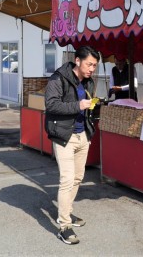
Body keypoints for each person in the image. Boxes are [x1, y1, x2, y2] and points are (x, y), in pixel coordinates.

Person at [44, 45, 100, 245]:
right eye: (89, 64)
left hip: (82, 135)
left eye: (94, 65)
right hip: (64, 136)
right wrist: (79, 105)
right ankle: (64, 226)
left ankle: (67, 212)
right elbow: (50, 104)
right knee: (67, 180)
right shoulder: (58, 78)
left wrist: (90, 116)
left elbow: (86, 108)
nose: (92, 69)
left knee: (78, 177)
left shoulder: (88, 81)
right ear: (77, 60)